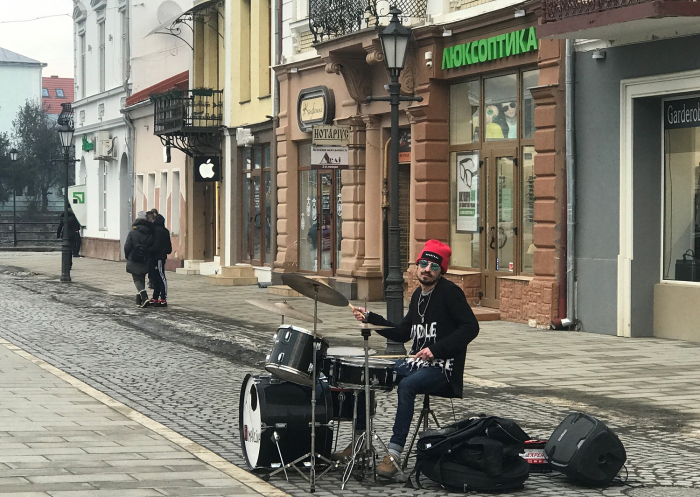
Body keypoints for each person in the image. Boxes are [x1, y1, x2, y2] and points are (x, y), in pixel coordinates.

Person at [344, 239, 480, 478]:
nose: (427, 269)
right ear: (417, 265)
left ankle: (394, 455)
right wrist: (371, 318)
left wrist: (436, 350)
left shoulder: (450, 293)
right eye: (424, 263)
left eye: (434, 266)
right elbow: (403, 333)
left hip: (443, 368)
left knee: (407, 386)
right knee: (370, 373)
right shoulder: (418, 294)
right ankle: (359, 443)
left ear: (442, 270)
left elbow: (471, 327)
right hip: (416, 363)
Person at [124, 211, 154, 308]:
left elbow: (127, 246)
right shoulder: (150, 232)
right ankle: (139, 301)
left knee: (136, 278)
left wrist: (127, 256)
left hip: (134, 257)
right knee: (142, 277)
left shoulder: (133, 232)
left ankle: (144, 297)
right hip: (145, 258)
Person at [147, 210, 172, 307]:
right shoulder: (164, 230)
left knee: (160, 276)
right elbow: (169, 248)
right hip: (159, 256)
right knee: (157, 277)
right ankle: (156, 297)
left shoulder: (156, 230)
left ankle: (162, 298)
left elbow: (156, 245)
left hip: (157, 257)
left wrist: (148, 250)